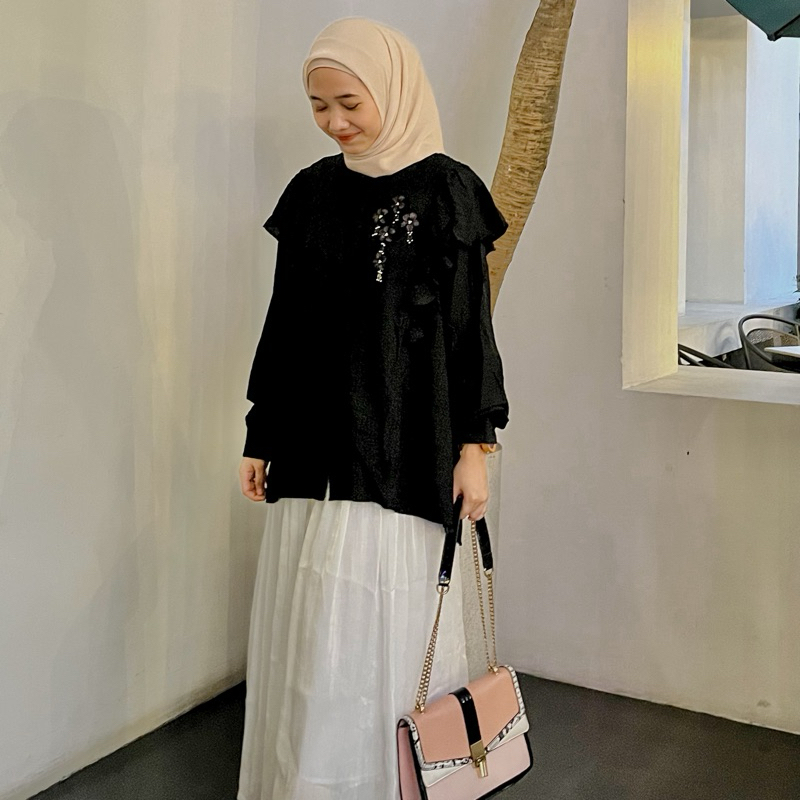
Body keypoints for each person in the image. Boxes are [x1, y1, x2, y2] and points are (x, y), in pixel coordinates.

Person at [236, 16, 509, 800]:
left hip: (406, 447)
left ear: (394, 87)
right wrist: (260, 433)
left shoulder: (447, 189)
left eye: (349, 102)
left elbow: (469, 332)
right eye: (319, 106)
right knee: (315, 632)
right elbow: (285, 324)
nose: (334, 122)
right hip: (314, 449)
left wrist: (474, 447)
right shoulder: (312, 192)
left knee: (384, 625)